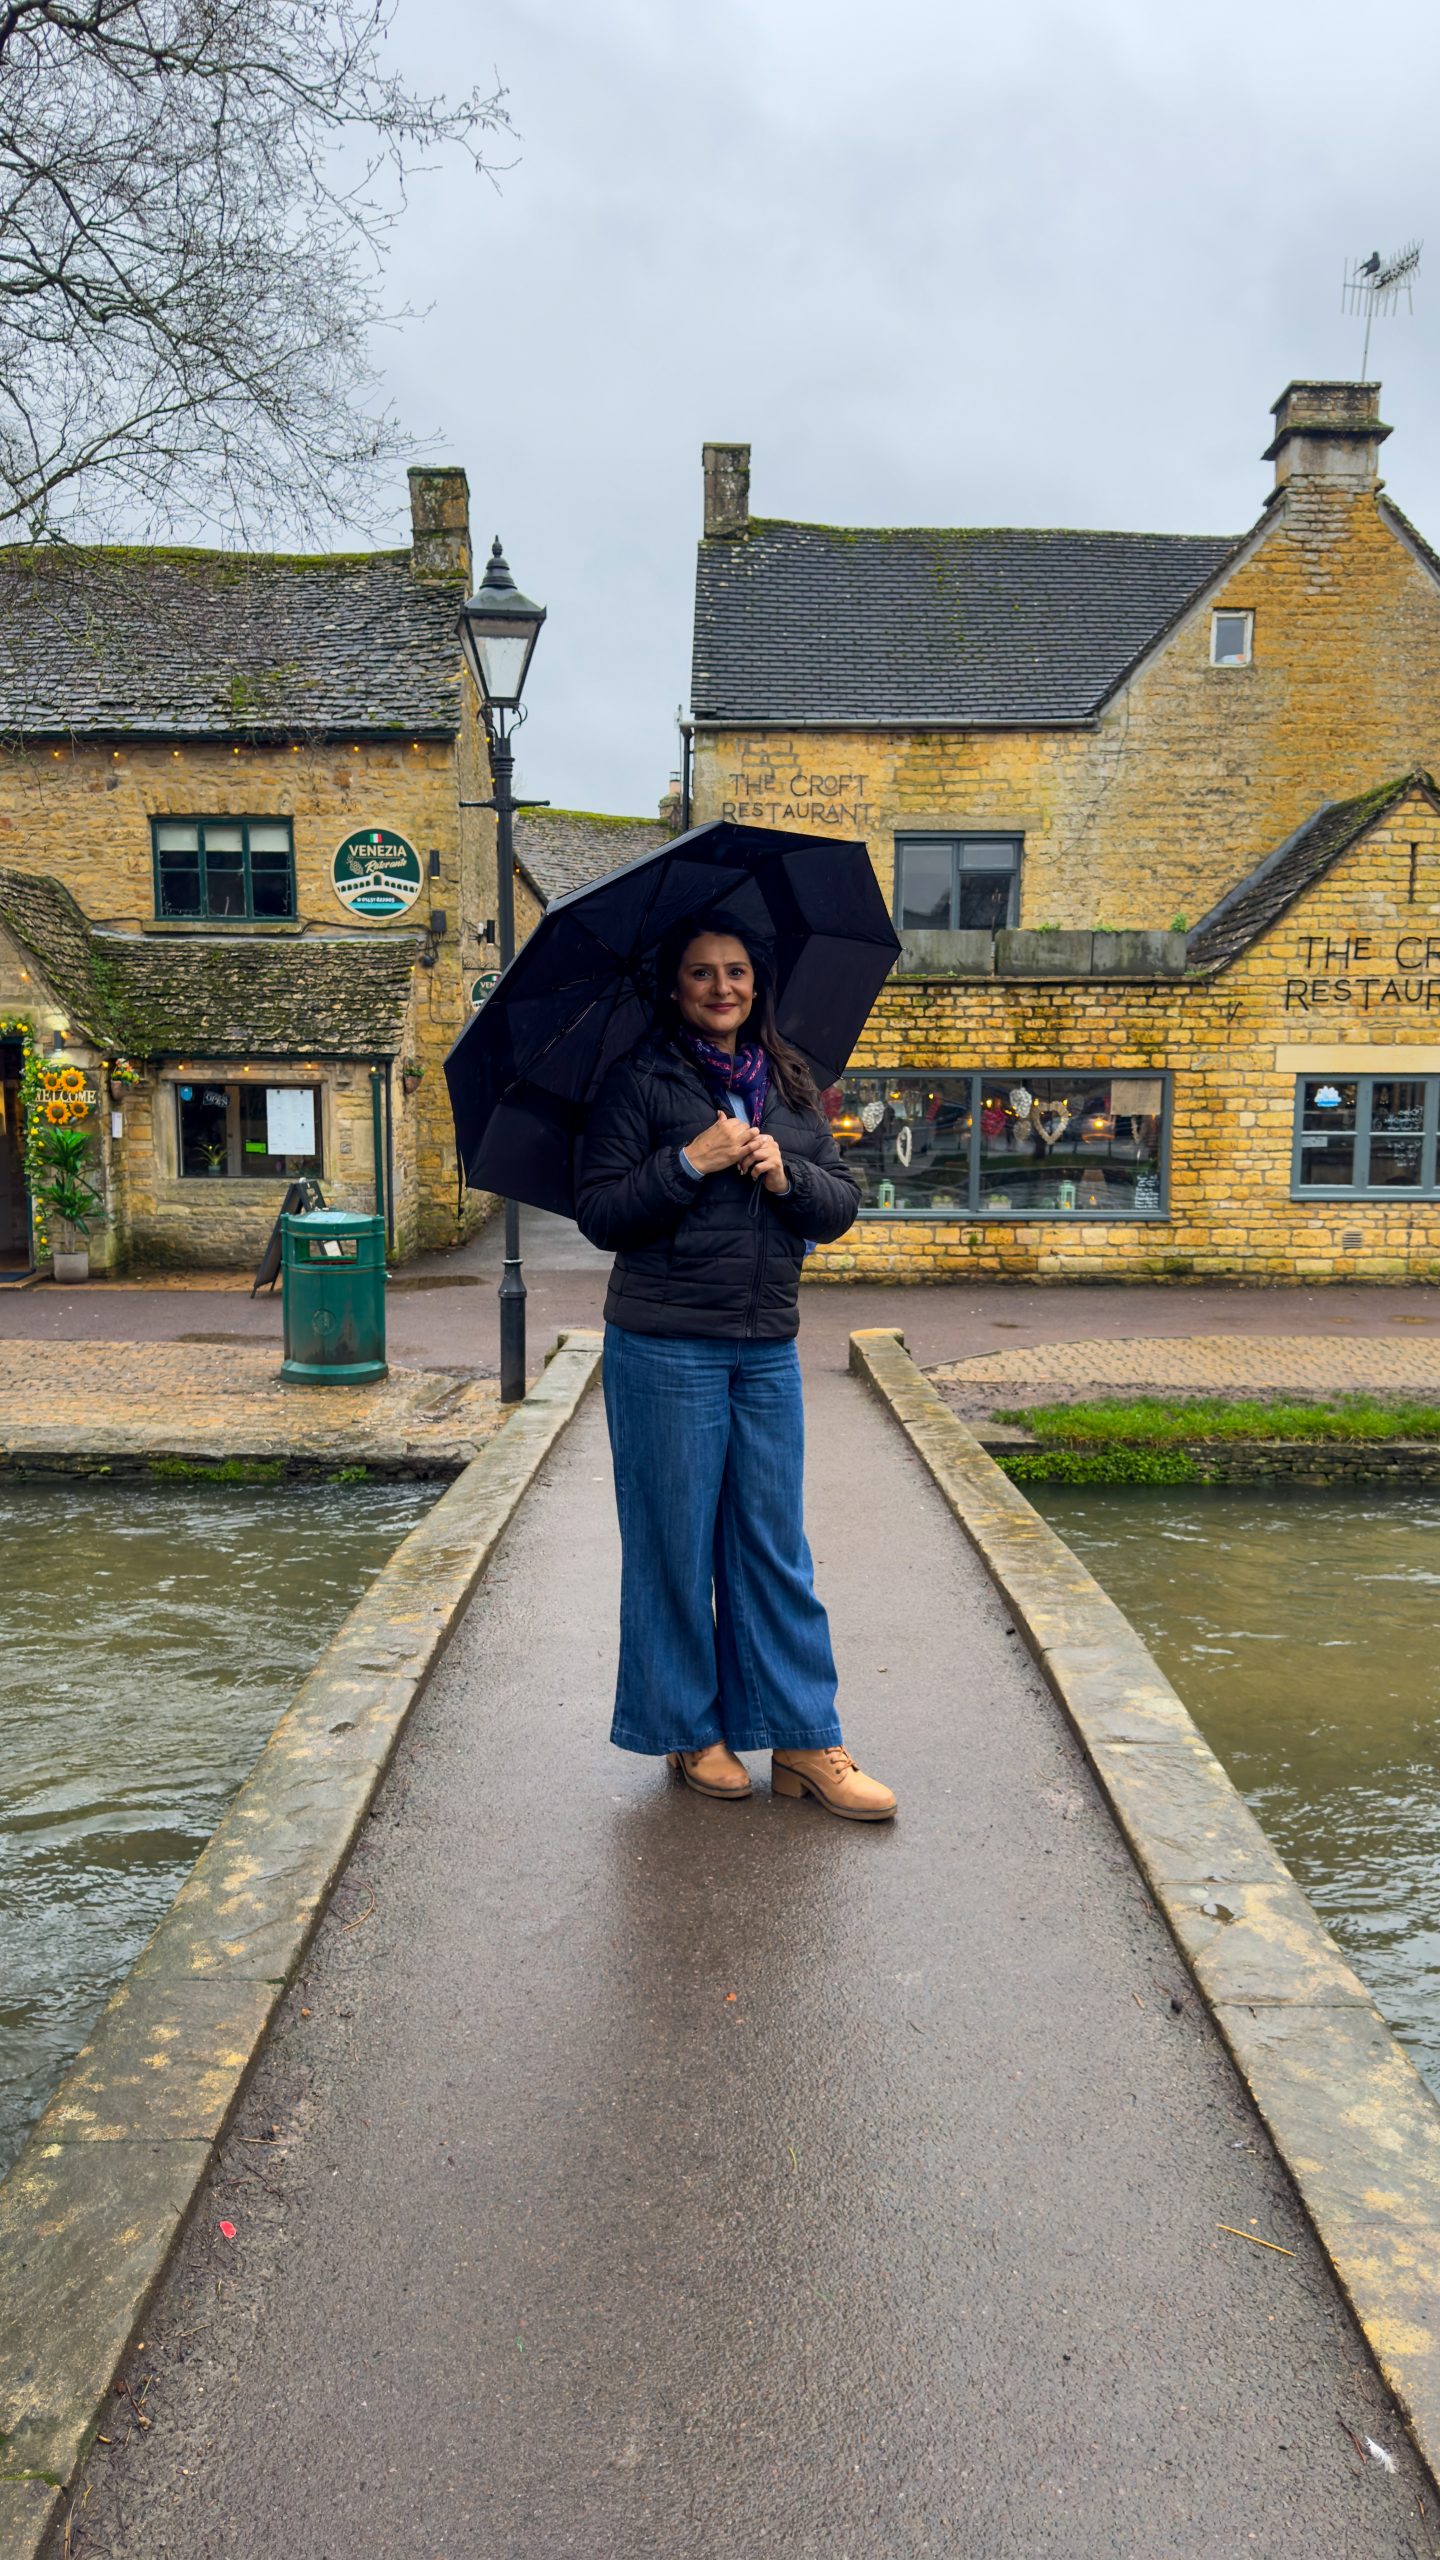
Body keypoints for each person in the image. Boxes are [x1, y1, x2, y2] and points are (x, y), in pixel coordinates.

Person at [575, 914, 897, 1822]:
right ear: (674, 987)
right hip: (664, 1342)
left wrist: (783, 1171)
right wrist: (689, 1161)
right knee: (675, 1545)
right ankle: (691, 1732)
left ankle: (804, 1740)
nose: (722, 987)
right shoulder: (638, 1082)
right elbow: (601, 1212)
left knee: (773, 1547)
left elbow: (839, 1208)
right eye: (701, 973)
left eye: (737, 972)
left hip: (764, 1345)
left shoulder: (793, 1085)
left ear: (759, 983)